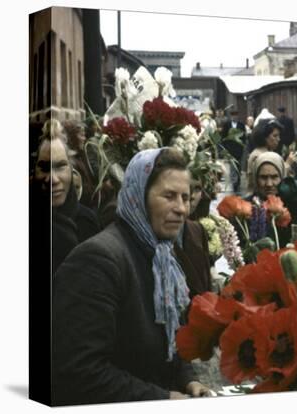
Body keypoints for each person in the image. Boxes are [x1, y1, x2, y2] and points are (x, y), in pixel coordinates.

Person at [52, 148, 211, 405]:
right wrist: (163, 397)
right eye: (169, 196)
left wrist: (188, 380)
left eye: (185, 197)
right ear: (138, 197)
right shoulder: (98, 261)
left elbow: (171, 340)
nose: (181, 208)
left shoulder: (163, 257)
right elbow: (79, 370)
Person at [32, 119, 101, 275]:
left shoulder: (88, 222)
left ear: (71, 168)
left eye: (60, 166)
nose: (54, 180)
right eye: (44, 168)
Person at [246, 118, 283, 193]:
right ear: (264, 137)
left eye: (279, 136)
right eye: (275, 136)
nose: (278, 139)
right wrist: (288, 164)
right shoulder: (258, 156)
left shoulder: (269, 152)